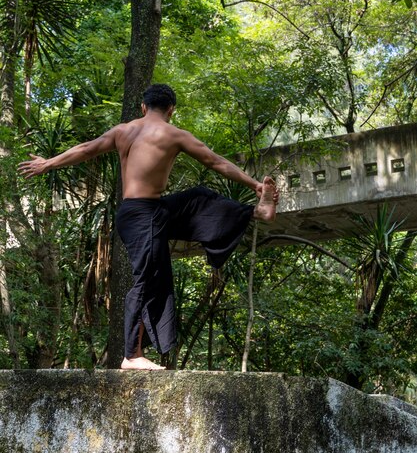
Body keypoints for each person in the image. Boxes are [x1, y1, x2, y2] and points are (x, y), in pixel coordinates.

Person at [18, 83, 278, 370]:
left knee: (198, 197)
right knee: (147, 279)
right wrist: (253, 183)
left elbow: (85, 149)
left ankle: (256, 211)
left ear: (143, 106)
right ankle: (131, 355)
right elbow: (215, 162)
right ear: (171, 110)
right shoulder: (174, 134)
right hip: (145, 216)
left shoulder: (123, 131)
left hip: (141, 211)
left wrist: (47, 163)